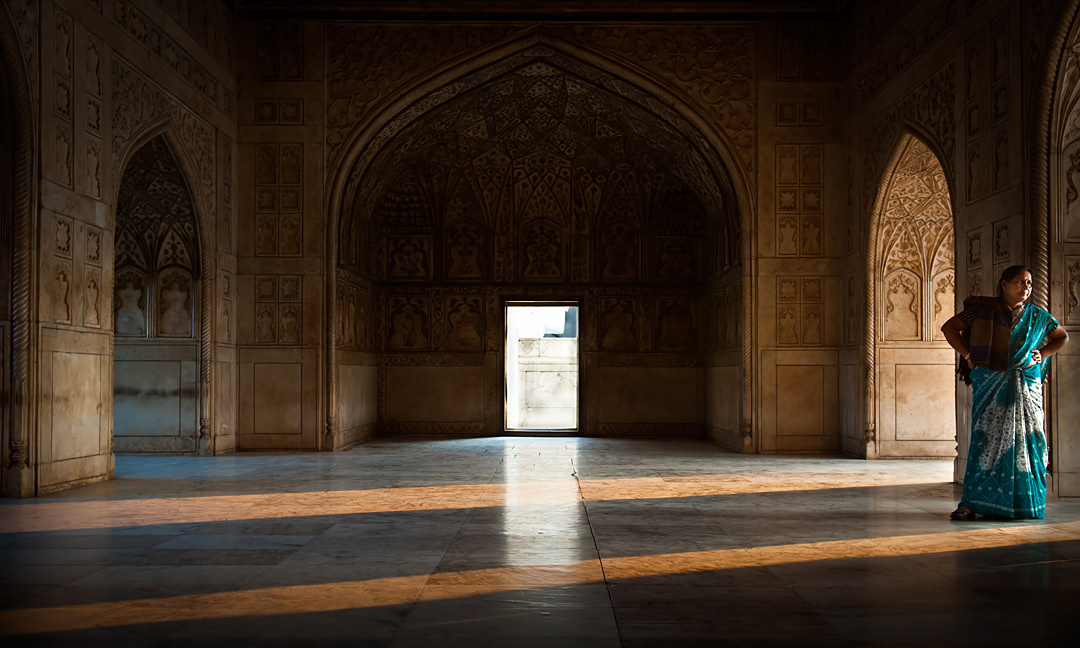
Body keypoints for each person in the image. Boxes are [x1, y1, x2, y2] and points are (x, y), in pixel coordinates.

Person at [940, 266, 1069, 520]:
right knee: (985, 443)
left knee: (1027, 442)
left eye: (1029, 284)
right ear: (1004, 284)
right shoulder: (981, 311)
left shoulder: (1037, 316)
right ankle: (972, 503)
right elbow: (949, 328)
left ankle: (1025, 502)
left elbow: (1062, 337)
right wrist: (968, 355)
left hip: (1025, 385)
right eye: (1020, 282)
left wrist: (1041, 354)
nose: (1026, 288)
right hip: (991, 383)